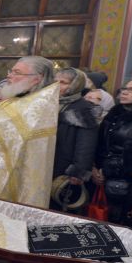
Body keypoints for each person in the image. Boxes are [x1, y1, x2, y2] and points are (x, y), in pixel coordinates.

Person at [0, 56, 58, 208]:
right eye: (11, 71)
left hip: (7, 173)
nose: (9, 76)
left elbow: (17, 138)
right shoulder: (16, 98)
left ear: (37, 78)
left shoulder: (39, 106)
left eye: (17, 72)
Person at [92, 78, 132, 223]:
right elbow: (101, 144)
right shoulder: (115, 113)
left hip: (131, 182)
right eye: (124, 88)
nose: (125, 92)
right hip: (106, 178)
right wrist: (95, 167)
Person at [52, 68, 98, 204]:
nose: (57, 85)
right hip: (47, 161)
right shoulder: (51, 103)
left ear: (75, 85)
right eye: (55, 81)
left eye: (63, 82)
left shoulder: (83, 108)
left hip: (65, 164)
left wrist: (78, 171)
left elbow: (86, 143)